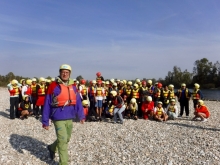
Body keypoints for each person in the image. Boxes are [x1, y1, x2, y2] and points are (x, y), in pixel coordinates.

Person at [42, 64, 85, 165]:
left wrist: (81, 115)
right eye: (63, 72)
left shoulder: (73, 86)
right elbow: (47, 103)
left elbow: (78, 101)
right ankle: (63, 162)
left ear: (70, 74)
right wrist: (45, 121)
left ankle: (52, 148)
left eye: (67, 72)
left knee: (67, 139)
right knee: (62, 141)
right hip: (58, 116)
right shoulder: (53, 86)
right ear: (60, 73)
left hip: (70, 116)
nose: (64, 74)